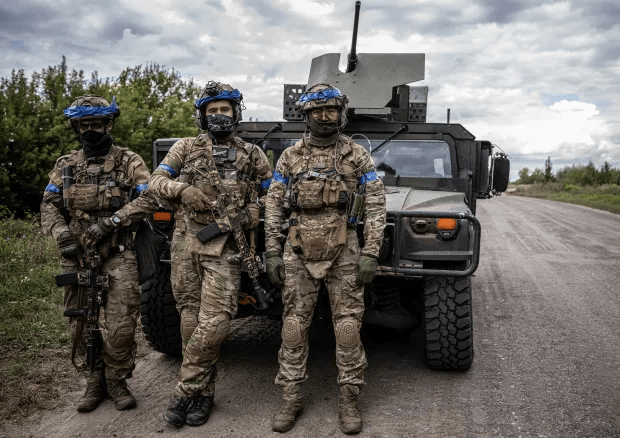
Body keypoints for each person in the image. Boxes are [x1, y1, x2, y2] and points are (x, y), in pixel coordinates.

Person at [264, 83, 386, 434]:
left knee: (347, 328)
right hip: (298, 247)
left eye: (330, 109)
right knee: (292, 327)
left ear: (340, 113)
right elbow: (273, 203)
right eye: (316, 110)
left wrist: (371, 253)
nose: (323, 115)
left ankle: (349, 400)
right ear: (306, 115)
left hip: (345, 248)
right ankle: (290, 398)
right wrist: (273, 250)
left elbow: (376, 203)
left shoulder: (356, 155)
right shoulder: (290, 156)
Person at [149, 81, 272, 428]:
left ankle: (183, 391)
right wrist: (182, 189)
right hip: (187, 243)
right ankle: (203, 394)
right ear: (202, 116)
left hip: (228, 247)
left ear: (236, 113)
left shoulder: (252, 153)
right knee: (190, 318)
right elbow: (156, 181)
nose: (219, 116)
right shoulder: (185, 148)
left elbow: (274, 193)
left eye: (225, 109)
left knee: (215, 322)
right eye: (212, 110)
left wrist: (254, 211)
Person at [40, 95, 158, 412]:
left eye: (96, 123)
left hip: (118, 250)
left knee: (122, 325)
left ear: (108, 124)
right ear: (76, 128)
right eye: (84, 124)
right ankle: (95, 380)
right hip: (76, 253)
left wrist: (110, 224)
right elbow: (48, 205)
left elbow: (150, 199)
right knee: (81, 322)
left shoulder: (129, 162)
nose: (90, 130)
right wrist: (63, 234)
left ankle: (117, 380)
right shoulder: (65, 165)